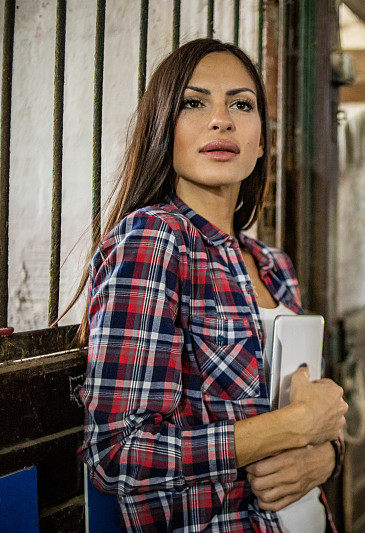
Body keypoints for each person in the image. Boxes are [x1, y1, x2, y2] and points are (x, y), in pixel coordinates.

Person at [56, 38, 348, 532]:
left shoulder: (274, 264)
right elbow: (120, 454)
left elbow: (314, 411)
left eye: (241, 103)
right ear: (163, 130)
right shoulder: (153, 240)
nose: (221, 119)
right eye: (194, 103)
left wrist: (326, 458)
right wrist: (291, 428)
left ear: (260, 140)